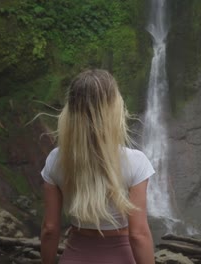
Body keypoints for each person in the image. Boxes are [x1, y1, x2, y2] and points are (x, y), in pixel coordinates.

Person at [40, 69, 155, 264]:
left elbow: (50, 229)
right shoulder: (136, 161)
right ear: (114, 109)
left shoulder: (55, 159)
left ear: (71, 111)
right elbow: (138, 235)